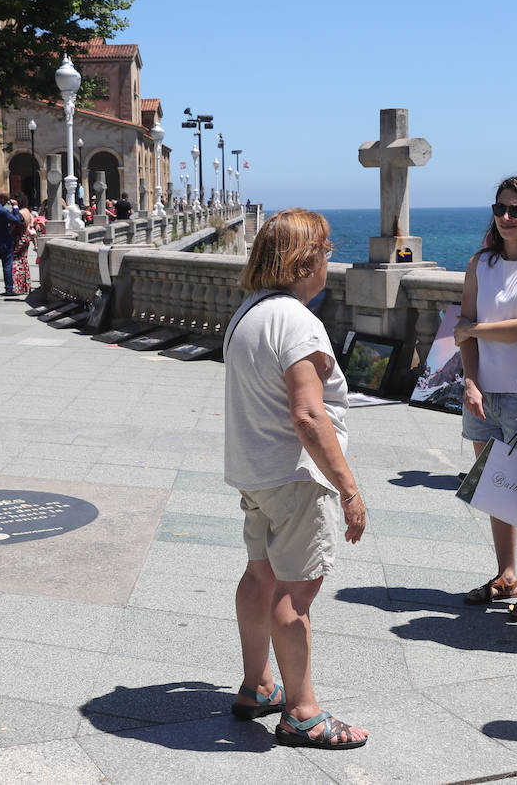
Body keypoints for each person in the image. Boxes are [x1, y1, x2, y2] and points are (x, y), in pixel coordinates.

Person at [224, 208, 369, 750]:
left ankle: (257, 685)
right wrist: (349, 489)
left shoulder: (249, 313)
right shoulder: (298, 321)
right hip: (296, 478)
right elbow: (309, 416)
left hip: (255, 472)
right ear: (306, 258)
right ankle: (303, 712)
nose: (329, 259)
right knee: (296, 594)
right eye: (327, 250)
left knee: (258, 576)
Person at [455, 176, 517, 623]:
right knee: (494, 490)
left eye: (516, 210)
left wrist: (471, 330)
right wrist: (470, 382)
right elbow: (465, 327)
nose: (507, 217)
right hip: (482, 392)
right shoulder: (482, 263)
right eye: (500, 209)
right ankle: (505, 575)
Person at [11, 198, 35, 295]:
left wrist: (9, 231)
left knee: (16, 262)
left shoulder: (20, 213)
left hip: (18, 238)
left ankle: (18, 287)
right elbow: (32, 220)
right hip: (26, 238)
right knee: (24, 261)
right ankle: (26, 286)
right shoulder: (27, 211)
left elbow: (14, 224)